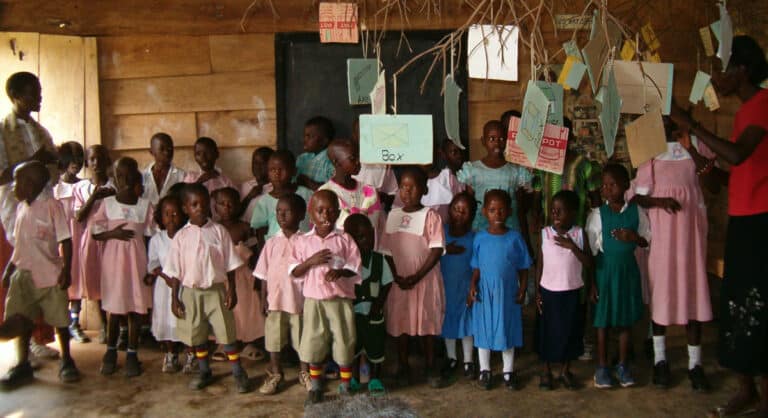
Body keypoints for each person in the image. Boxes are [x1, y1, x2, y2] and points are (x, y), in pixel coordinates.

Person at [670, 35, 768, 416]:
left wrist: (694, 126)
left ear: (741, 70)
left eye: (722, 69)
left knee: (756, 305)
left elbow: (739, 155)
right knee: (737, 304)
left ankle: (760, 393)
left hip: (760, 222)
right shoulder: (744, 113)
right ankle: (748, 389)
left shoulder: (763, 104)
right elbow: (733, 175)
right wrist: (698, 157)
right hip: (743, 221)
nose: (716, 77)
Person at [631, 120, 717, 391]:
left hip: (691, 236)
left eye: (672, 117)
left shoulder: (696, 146)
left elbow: (711, 179)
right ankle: (660, 361)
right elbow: (639, 197)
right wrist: (660, 202)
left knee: (693, 293)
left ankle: (695, 365)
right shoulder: (650, 151)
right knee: (662, 294)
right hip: (663, 237)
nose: (668, 123)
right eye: (663, 118)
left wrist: (690, 146)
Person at [0, 161, 80, 388]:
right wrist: (9, 270)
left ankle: (67, 360)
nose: (14, 188)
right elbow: (19, 244)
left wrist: (66, 269)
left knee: (60, 320)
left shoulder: (52, 206)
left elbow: (65, 240)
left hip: (49, 275)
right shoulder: (21, 208)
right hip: (23, 274)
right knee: (22, 318)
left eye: (18, 183)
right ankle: (22, 364)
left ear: (32, 184)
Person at [166, 183, 251, 393]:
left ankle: (238, 372)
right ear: (185, 208)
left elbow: (230, 264)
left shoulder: (219, 232)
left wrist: (231, 290)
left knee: (226, 332)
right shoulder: (181, 237)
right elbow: (175, 271)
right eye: (194, 205)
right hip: (190, 293)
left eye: (204, 204)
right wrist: (174, 298)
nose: (200, 208)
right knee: (197, 334)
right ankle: (204, 370)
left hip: (216, 291)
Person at [0, 72, 60, 360]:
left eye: (40, 90)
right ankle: (20, 346)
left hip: (42, 211)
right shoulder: (3, 131)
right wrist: (35, 160)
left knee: (43, 272)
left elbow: (53, 174)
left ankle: (39, 337)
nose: (39, 97)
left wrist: (58, 161)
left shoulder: (41, 131)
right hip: (15, 212)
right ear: (15, 96)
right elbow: (2, 176)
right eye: (32, 92)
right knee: (20, 277)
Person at [289, 189, 361, 404]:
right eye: (320, 211)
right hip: (314, 302)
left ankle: (346, 386)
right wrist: (310, 262)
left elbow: (355, 267)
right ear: (311, 213)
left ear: (338, 213)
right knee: (314, 342)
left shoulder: (344, 239)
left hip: (340, 301)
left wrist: (341, 272)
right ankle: (316, 386)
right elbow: (294, 271)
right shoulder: (302, 241)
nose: (325, 215)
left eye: (330, 211)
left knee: (344, 341)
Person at [380, 167, 448, 389]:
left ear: (424, 190)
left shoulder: (431, 216)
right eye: (403, 187)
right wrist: (396, 275)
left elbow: (436, 249)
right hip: (399, 281)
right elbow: (386, 250)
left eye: (413, 187)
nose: (407, 191)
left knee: (427, 322)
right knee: (401, 322)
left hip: (424, 280)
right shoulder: (393, 215)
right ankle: (403, 365)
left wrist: (417, 276)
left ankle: (430, 366)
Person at [586, 164, 650, 389]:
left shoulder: (636, 212)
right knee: (602, 321)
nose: (607, 189)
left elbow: (646, 240)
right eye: (604, 185)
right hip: (605, 273)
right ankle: (602, 367)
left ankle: (623, 365)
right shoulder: (597, 215)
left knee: (624, 321)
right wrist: (592, 283)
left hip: (627, 272)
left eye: (612, 184)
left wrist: (634, 237)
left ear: (625, 186)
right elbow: (591, 252)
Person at [91, 157, 155, 377]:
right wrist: (114, 233)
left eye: (129, 176)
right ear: (114, 179)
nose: (124, 180)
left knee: (136, 309)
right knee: (115, 309)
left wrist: (151, 267)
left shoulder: (145, 206)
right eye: (120, 176)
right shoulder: (108, 204)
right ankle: (110, 352)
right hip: (114, 265)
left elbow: (151, 237)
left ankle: (132, 354)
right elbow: (95, 232)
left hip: (137, 264)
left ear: (137, 178)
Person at [467, 189, 532, 391]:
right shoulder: (479, 238)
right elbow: (476, 266)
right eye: (492, 210)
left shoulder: (515, 238)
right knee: (484, 331)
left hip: (507, 293)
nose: (497, 214)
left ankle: (508, 371)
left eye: (502, 210)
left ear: (509, 212)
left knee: (507, 329)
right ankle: (485, 370)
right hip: (484, 293)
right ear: (484, 212)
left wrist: (523, 288)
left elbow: (523, 267)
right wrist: (472, 285)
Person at [254, 193, 311, 395]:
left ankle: (305, 372)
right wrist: (263, 299)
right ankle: (276, 373)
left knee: (303, 338)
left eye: (288, 211)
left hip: (299, 302)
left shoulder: (306, 241)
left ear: (301, 214)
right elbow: (263, 274)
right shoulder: (271, 243)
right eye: (279, 211)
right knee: (273, 340)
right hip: (276, 301)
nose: (282, 215)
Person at [535, 190, 592, 390]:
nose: (555, 214)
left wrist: (572, 246)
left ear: (573, 213)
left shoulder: (579, 233)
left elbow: (589, 262)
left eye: (561, 210)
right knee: (547, 332)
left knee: (570, 331)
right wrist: (538, 291)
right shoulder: (545, 233)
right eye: (553, 210)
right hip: (548, 292)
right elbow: (540, 264)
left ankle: (565, 371)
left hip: (571, 292)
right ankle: (546, 371)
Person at [213, 187, 265, 360]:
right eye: (222, 204)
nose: (226, 207)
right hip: (222, 278)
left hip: (243, 277)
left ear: (238, 205)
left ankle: (247, 342)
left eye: (231, 204)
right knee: (225, 310)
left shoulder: (244, 227)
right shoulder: (214, 229)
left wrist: (257, 273)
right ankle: (224, 343)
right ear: (215, 207)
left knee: (245, 310)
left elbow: (255, 251)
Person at [344, 213, 392, 395]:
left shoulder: (379, 260)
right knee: (353, 347)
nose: (368, 241)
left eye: (371, 236)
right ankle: (355, 378)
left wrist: (378, 305)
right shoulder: (346, 264)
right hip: (353, 315)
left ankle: (375, 378)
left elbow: (387, 284)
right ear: (350, 240)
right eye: (362, 237)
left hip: (374, 314)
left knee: (376, 347)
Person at [457, 120, 533, 234]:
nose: (497, 143)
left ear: (507, 141)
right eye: (492, 139)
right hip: (481, 228)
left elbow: (519, 208)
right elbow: (469, 205)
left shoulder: (515, 171)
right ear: (483, 141)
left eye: (501, 139)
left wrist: (524, 235)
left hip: (510, 228)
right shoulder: (473, 170)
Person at [72, 144, 115, 344]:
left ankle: (118, 325)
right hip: (90, 239)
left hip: (112, 237)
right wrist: (94, 197)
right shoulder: (81, 188)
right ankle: (104, 325)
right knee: (95, 281)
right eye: (92, 159)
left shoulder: (115, 185)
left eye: (100, 158)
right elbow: (79, 216)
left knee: (114, 279)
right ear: (87, 163)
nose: (96, 163)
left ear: (107, 161)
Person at [144, 194, 187, 373]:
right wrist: (165, 276)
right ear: (160, 217)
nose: (171, 218)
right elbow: (154, 263)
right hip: (164, 286)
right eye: (167, 214)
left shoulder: (186, 236)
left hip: (184, 284)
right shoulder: (157, 239)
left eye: (175, 214)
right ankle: (170, 354)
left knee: (185, 318)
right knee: (166, 319)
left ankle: (191, 354)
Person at [53, 141, 90, 343]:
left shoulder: (84, 185)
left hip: (78, 237)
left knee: (77, 279)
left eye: (79, 157)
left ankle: (74, 323)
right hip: (60, 238)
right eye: (71, 158)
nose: (76, 162)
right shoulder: (55, 187)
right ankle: (62, 322)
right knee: (60, 279)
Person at [440, 192, 476, 379]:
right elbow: (431, 252)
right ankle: (451, 357)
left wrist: (473, 287)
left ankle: (468, 361)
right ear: (449, 210)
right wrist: (446, 250)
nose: (459, 214)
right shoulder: (441, 232)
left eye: (465, 211)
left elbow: (478, 266)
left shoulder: (474, 238)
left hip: (465, 289)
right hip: (445, 288)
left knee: (467, 323)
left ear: (472, 216)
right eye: (456, 209)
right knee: (448, 322)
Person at [319, 138, 382, 231]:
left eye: (359, 157)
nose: (358, 162)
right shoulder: (324, 193)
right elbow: (322, 227)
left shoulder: (370, 192)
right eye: (352, 158)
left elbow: (374, 226)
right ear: (336, 162)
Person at [250, 150, 313, 242]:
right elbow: (260, 231)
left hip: (304, 244)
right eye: (272, 170)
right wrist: (265, 250)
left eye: (282, 169)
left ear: (294, 171)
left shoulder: (307, 194)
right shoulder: (264, 201)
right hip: (277, 247)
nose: (277, 174)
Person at [183, 136, 235, 219]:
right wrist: (200, 181)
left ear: (217, 154)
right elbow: (183, 199)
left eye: (207, 152)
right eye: (198, 154)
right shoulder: (190, 178)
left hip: (220, 224)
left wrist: (220, 196)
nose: (203, 157)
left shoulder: (225, 181)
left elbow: (234, 206)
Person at [351, 116, 398, 207]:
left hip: (374, 211)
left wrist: (381, 197)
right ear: (355, 135)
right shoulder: (347, 161)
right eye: (362, 133)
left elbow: (393, 194)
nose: (368, 137)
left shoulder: (384, 163)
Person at [422, 139, 467, 223]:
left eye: (430, 151)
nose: (426, 157)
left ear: (437, 152)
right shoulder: (410, 182)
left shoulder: (449, 178)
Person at [141, 132, 186, 206]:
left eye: (170, 148)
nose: (167, 152)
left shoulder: (181, 175)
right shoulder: (142, 176)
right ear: (152, 152)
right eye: (162, 149)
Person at [296, 116, 335, 191]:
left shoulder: (331, 161)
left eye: (309, 136)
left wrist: (307, 182)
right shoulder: (302, 158)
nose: (304, 140)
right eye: (305, 136)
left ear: (323, 141)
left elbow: (332, 189)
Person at [240, 146, 274, 222]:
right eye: (255, 163)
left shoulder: (275, 188)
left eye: (263, 163)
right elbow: (234, 213)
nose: (258, 167)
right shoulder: (244, 186)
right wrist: (249, 197)